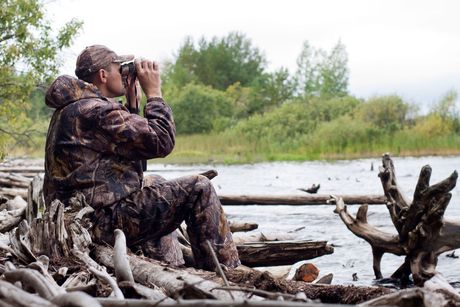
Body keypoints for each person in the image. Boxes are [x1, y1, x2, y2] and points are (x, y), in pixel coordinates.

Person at [43, 45, 240, 270]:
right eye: (121, 69)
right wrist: (154, 94)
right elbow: (162, 141)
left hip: (81, 218)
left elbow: (132, 160)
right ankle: (226, 272)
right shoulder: (96, 111)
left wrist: (132, 108)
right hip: (96, 224)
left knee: (154, 182)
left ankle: (169, 265)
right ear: (103, 75)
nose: (126, 75)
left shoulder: (74, 108)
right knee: (198, 187)